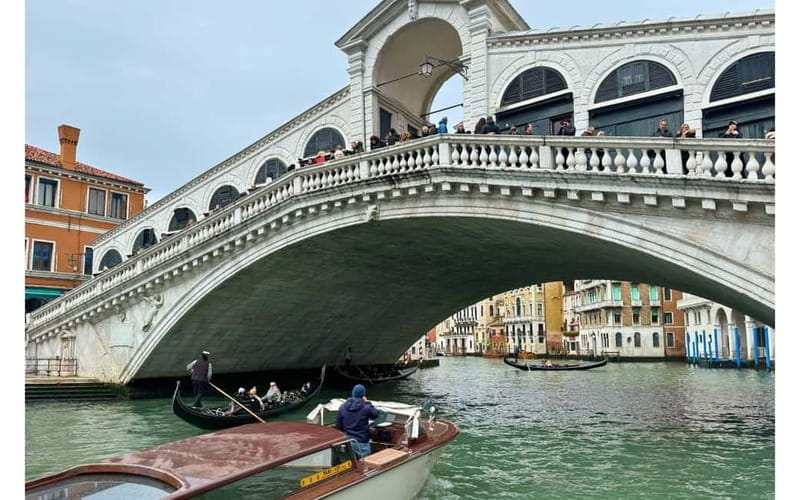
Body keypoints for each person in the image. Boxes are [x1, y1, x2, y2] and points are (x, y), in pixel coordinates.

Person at [336, 384, 380, 459]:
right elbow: (375, 414)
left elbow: (339, 426)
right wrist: (367, 402)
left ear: (353, 393)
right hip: (362, 441)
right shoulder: (365, 407)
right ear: (363, 395)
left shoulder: (342, 407)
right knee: (366, 463)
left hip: (348, 441)